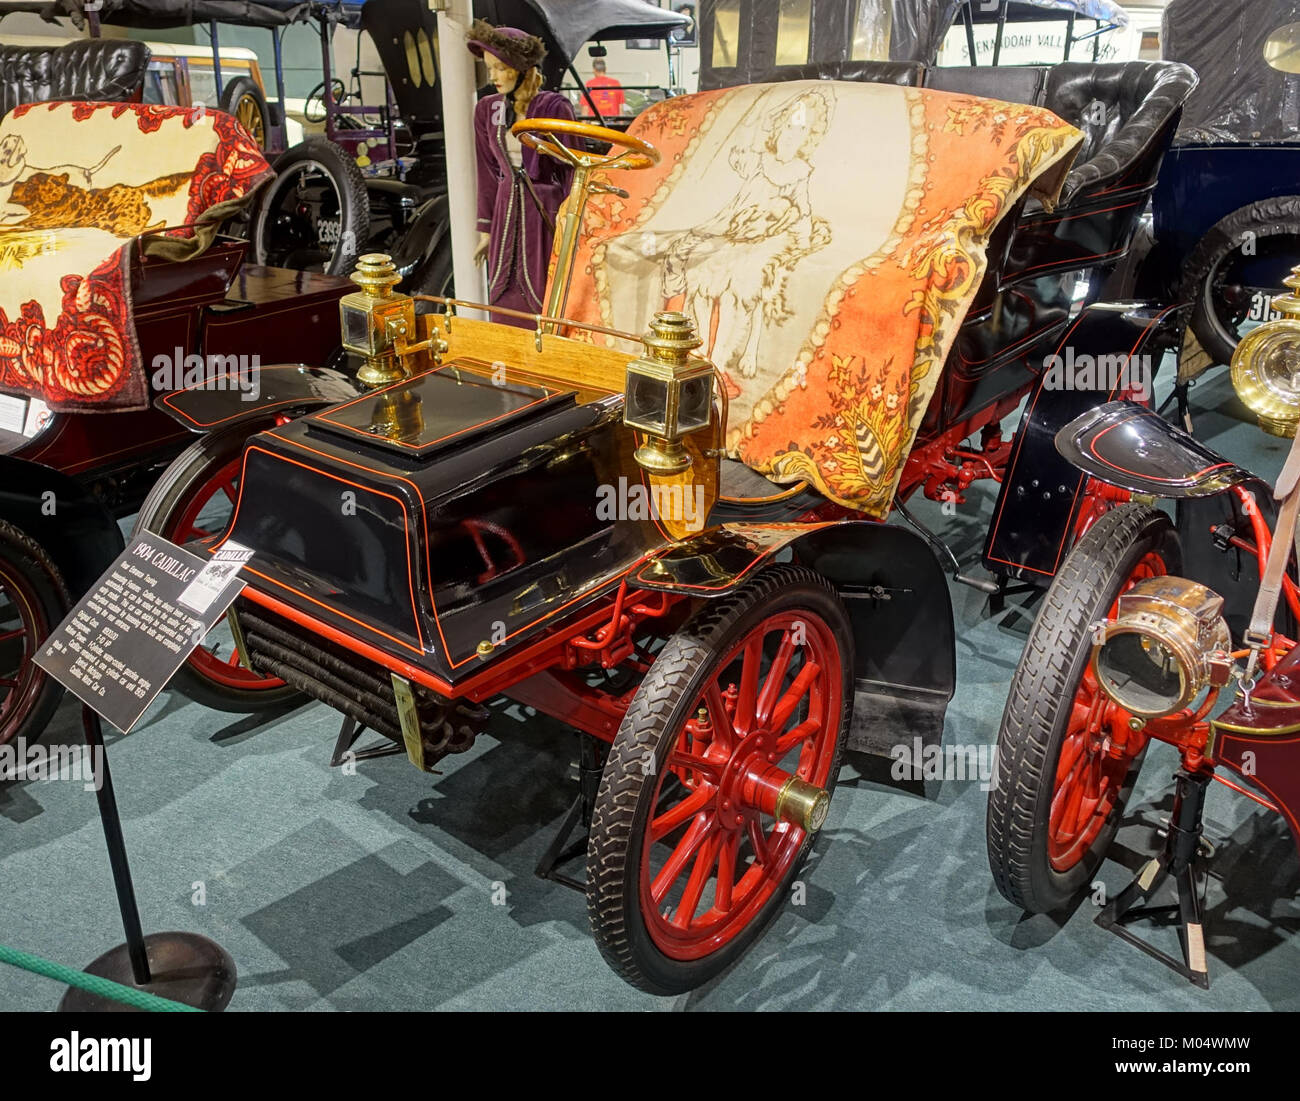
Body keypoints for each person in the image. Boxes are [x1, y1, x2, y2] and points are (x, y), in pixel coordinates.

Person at [468, 20, 575, 325]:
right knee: (503, 293)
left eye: (500, 68)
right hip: (505, 215)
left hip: (545, 214)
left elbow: (572, 171)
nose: (493, 76)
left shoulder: (554, 107)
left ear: (520, 67)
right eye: (489, 68)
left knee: (544, 295)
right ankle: (507, 361)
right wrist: (485, 231)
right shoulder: (487, 110)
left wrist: (572, 226)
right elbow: (488, 173)